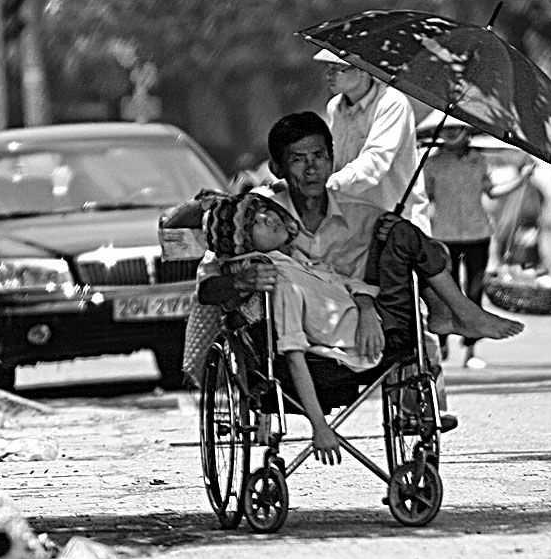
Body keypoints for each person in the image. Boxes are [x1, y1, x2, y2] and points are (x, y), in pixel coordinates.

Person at [197, 112, 524, 462]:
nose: (311, 169)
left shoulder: (359, 216)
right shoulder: (256, 217)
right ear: (278, 168)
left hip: (370, 328)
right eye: (297, 160)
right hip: (298, 343)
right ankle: (458, 313)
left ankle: (456, 313)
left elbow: (354, 278)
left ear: (332, 159)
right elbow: (207, 287)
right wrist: (240, 280)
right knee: (399, 239)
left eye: (319, 157)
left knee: (399, 232)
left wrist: (368, 308)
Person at [423, 121, 534, 369]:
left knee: (474, 292)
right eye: (447, 130)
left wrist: (521, 180)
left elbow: (492, 192)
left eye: (456, 129)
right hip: (444, 234)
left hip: (477, 234)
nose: (451, 134)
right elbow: (424, 196)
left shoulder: (478, 161)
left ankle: (471, 349)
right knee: (445, 292)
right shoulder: (432, 163)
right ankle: (441, 343)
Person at [316, 49, 432, 234]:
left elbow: (375, 161)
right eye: (329, 67)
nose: (330, 74)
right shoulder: (335, 107)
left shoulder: (392, 103)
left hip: (396, 222)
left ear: (364, 70)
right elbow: (334, 159)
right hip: (353, 222)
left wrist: (330, 184)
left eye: (340, 68)